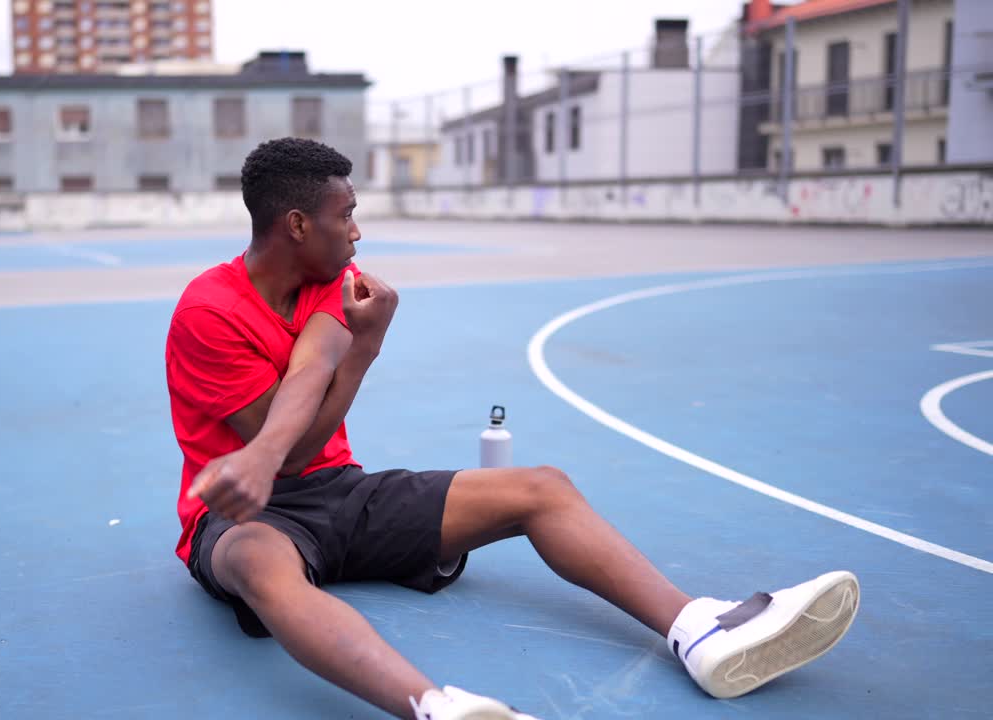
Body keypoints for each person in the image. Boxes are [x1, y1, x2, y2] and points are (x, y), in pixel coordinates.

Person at [164, 137, 860, 720]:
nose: (357, 230)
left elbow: (314, 373)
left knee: (541, 488)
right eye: (345, 214)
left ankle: (699, 631)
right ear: (295, 225)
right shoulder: (209, 310)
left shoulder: (331, 285)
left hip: (336, 491)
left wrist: (365, 348)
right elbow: (283, 459)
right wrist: (260, 459)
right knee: (263, 565)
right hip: (245, 518)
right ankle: (437, 707)